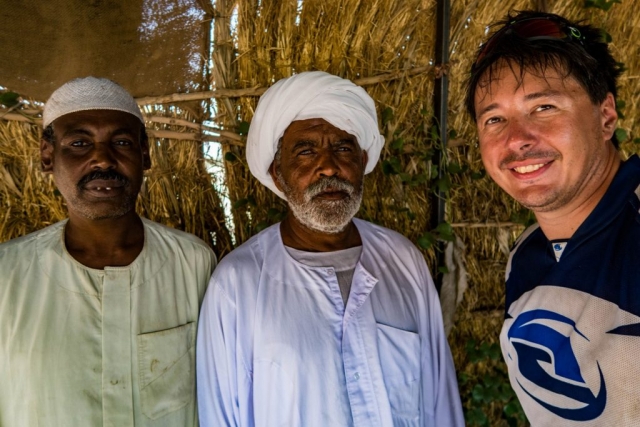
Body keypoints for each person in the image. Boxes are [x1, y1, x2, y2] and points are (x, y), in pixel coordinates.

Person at [196, 71, 464, 427]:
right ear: (278, 174)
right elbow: (221, 415)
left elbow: (439, 402)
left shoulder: (403, 261)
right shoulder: (238, 284)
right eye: (306, 151)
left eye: (342, 148)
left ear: (362, 162)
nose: (328, 167)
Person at [0, 77, 217, 427]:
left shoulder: (192, 263)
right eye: (79, 143)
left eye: (121, 141)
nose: (102, 158)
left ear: (144, 155)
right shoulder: (7, 275)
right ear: (47, 156)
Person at [466, 10, 640, 426]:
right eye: (494, 119)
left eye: (544, 107)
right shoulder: (526, 258)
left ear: (606, 116)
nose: (516, 139)